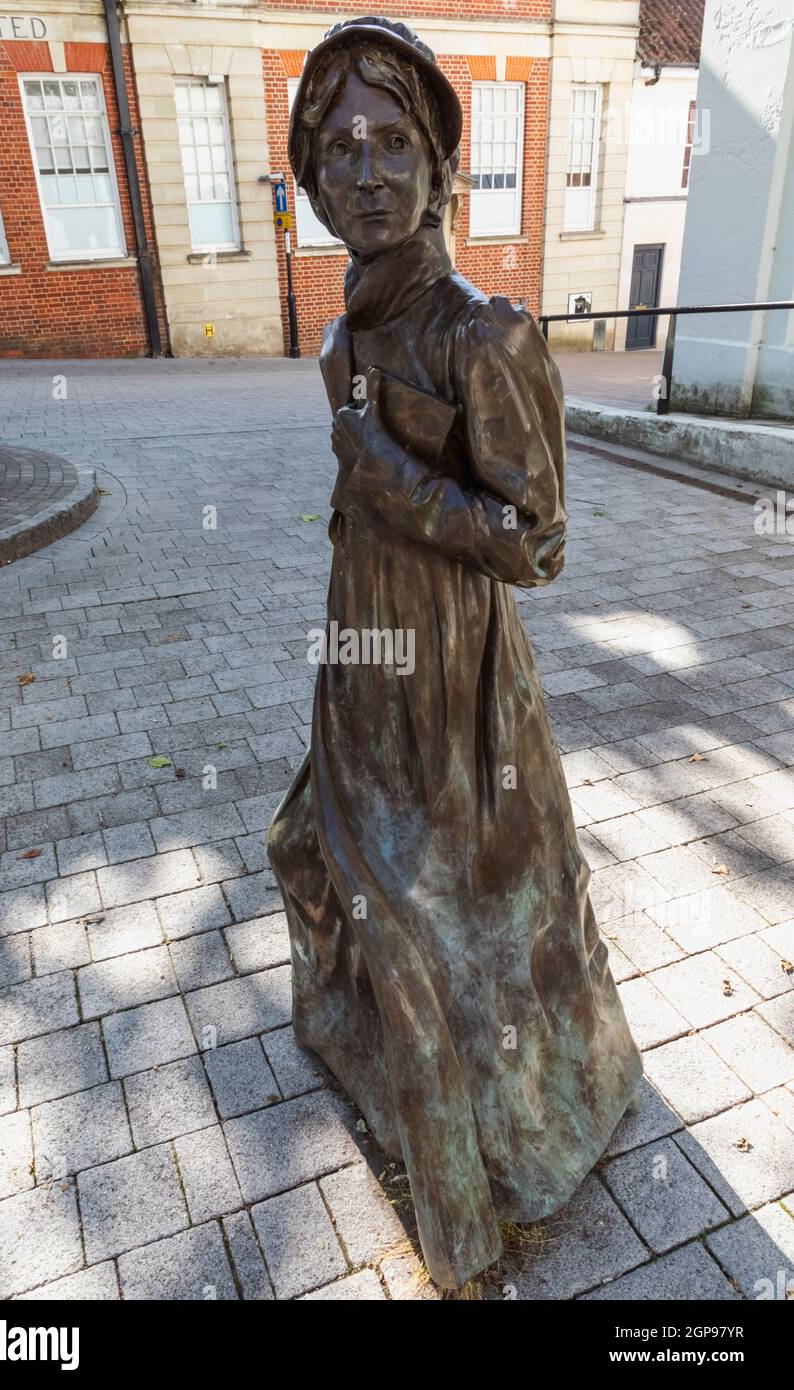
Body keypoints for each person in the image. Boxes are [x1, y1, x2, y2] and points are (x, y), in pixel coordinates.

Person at [267, 16, 642, 1289]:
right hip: (363, 665)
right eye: (336, 150)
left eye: (388, 143)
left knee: (440, 947)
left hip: (460, 688)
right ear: (310, 183)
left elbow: (534, 544)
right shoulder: (337, 342)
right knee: (302, 850)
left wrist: (386, 475)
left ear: (437, 165)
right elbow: (355, 517)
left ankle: (483, 1185)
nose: (362, 171)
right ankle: (359, 1049)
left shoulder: (483, 335)